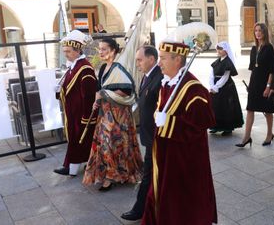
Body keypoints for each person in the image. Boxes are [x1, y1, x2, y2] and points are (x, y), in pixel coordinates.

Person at [141, 41, 217, 225]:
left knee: (181, 204)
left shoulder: (194, 89)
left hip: (184, 161)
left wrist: (168, 122)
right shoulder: (167, 84)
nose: (159, 63)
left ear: (178, 60)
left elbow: (203, 122)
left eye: (163, 58)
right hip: (165, 155)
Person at [83, 38, 143, 191]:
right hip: (105, 113)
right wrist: (96, 100)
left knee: (116, 143)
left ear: (112, 51)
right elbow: (99, 88)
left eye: (104, 49)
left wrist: (105, 93)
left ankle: (117, 175)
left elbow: (127, 90)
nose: (100, 52)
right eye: (100, 49)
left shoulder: (119, 68)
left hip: (118, 115)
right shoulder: (103, 68)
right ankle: (109, 175)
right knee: (105, 144)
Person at [121, 45, 163, 221]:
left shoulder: (159, 79)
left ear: (151, 59)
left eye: (140, 59)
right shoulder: (147, 76)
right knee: (152, 175)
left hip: (156, 136)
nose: (137, 63)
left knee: (148, 175)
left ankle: (140, 210)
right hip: (147, 134)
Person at [53, 30, 97, 177]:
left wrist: (86, 117)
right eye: (64, 51)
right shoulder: (74, 66)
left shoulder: (85, 68)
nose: (66, 54)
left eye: (69, 51)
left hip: (80, 113)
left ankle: (72, 168)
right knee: (74, 140)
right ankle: (71, 165)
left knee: (78, 140)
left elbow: (89, 95)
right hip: (73, 112)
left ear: (78, 51)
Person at [236, 23, 274, 147]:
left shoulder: (270, 48)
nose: (257, 33)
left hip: (266, 83)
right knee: (250, 109)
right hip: (254, 83)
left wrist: (268, 87)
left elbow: (272, 71)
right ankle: (246, 136)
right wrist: (250, 85)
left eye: (260, 30)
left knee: (267, 111)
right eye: (256, 30)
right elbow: (254, 68)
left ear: (264, 32)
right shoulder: (254, 49)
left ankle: (269, 134)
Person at [209, 41, 243, 135]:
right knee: (215, 106)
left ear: (226, 50)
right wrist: (212, 85)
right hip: (215, 86)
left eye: (221, 49)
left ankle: (227, 127)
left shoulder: (228, 62)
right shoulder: (216, 62)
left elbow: (225, 77)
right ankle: (215, 126)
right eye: (217, 49)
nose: (219, 51)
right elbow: (211, 75)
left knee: (226, 107)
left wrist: (216, 87)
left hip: (225, 88)